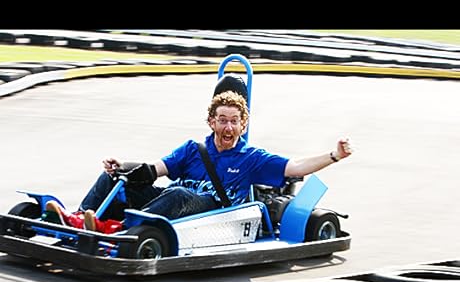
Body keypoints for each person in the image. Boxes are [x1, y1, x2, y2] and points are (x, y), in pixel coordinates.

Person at [45, 75, 353, 231]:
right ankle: (76, 220)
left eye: (234, 121)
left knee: (178, 192)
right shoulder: (194, 149)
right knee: (113, 178)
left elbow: (295, 168)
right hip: (174, 204)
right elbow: (154, 170)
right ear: (211, 122)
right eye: (222, 120)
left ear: (243, 124)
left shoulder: (251, 157)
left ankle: (117, 231)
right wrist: (123, 166)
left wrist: (334, 155)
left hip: (215, 213)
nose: (228, 127)